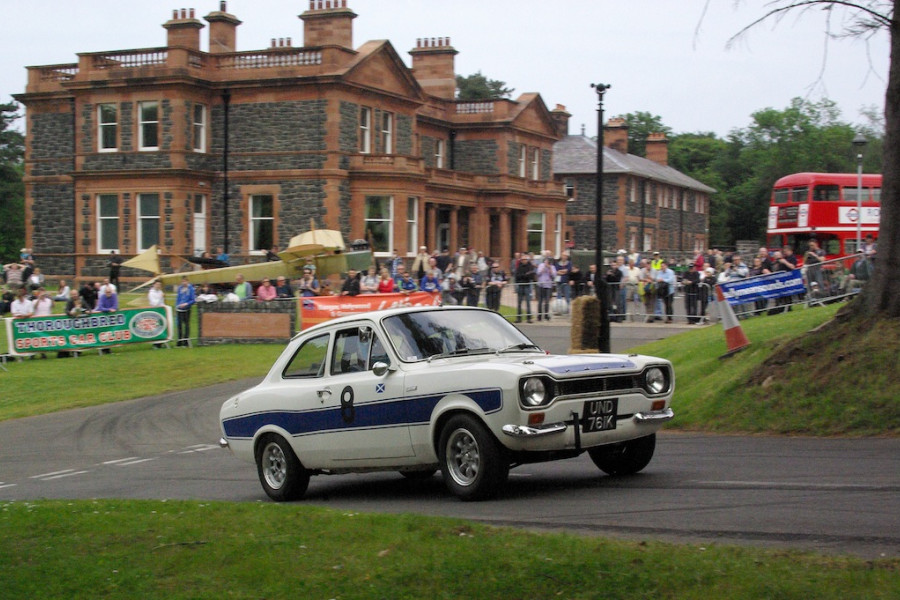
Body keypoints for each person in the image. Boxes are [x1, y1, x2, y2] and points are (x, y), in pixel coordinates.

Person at [514, 252, 536, 323]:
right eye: (523, 260)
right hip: (520, 285)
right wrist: (525, 275)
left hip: (527, 286)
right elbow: (517, 276)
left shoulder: (530, 266)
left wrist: (524, 275)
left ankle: (529, 318)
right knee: (519, 302)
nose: (524, 261)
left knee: (528, 302)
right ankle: (519, 318)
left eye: (525, 259)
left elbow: (531, 276)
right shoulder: (519, 267)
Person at [174, 276, 195, 347]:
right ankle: (179, 341)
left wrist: (187, 304)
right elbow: (178, 298)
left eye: (185, 281)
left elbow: (193, 300)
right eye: (182, 281)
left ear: (188, 281)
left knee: (186, 325)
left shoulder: (191, 289)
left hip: (186, 309)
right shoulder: (180, 288)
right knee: (179, 325)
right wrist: (176, 306)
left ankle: (186, 341)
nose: (184, 283)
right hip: (179, 309)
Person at [535, 257, 556, 321]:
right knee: (540, 301)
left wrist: (549, 268)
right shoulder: (541, 265)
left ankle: (546, 315)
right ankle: (539, 315)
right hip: (541, 285)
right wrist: (544, 268)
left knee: (547, 301)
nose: (547, 262)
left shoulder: (552, 267)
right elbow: (538, 273)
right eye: (546, 261)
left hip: (548, 286)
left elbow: (554, 275)